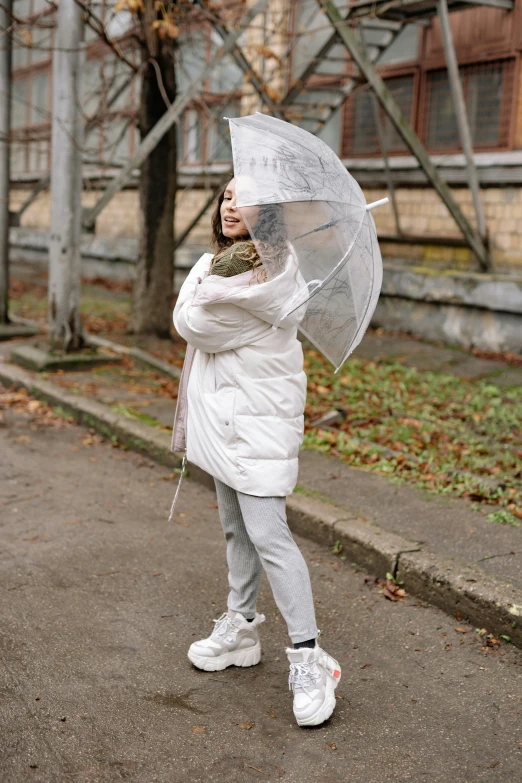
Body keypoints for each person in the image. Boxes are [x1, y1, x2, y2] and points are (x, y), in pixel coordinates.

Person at [171, 178, 341, 727]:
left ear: (267, 214)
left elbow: (195, 323)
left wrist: (202, 286)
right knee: (235, 529)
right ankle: (242, 627)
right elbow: (188, 321)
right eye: (224, 196)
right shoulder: (222, 268)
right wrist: (206, 281)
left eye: (244, 198)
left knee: (271, 536)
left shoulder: (275, 279)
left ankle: (313, 658)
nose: (230, 206)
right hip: (225, 422)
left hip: (258, 425)